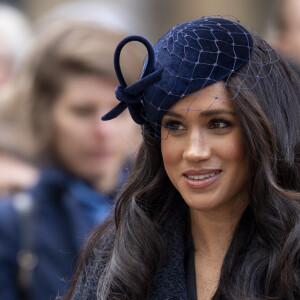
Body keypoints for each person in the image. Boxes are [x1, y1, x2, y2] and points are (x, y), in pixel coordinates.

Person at [64, 16, 300, 300]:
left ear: (265, 129)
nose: (194, 151)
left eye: (218, 124)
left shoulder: (292, 258)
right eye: (174, 126)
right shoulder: (119, 259)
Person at [0, 21, 142, 300]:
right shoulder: (14, 226)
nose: (104, 130)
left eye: (118, 111)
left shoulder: (169, 211)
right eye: (82, 111)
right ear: (44, 114)